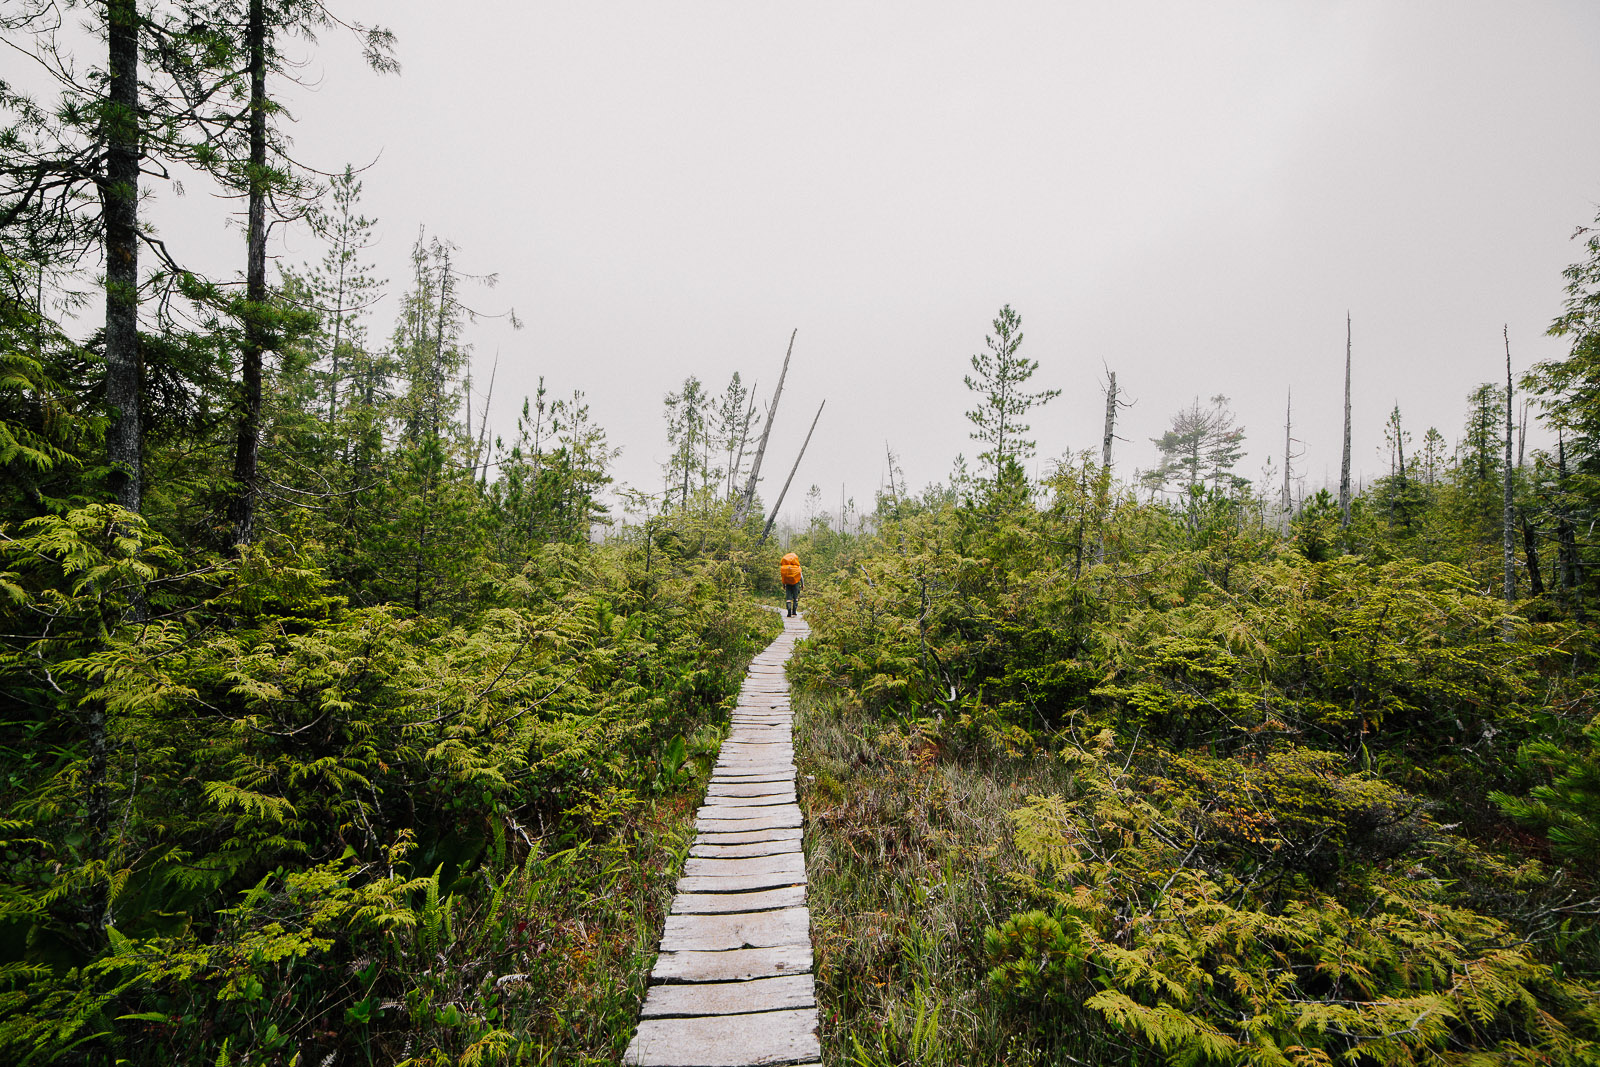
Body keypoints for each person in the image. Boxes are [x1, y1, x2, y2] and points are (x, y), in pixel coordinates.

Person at [779, 551, 803, 616]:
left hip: (788, 584)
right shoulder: (797, 568)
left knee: (788, 599)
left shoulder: (785, 568)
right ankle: (794, 612)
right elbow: (801, 577)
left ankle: (789, 611)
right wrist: (802, 585)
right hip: (796, 584)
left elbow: (783, 577)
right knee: (795, 598)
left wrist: (783, 584)